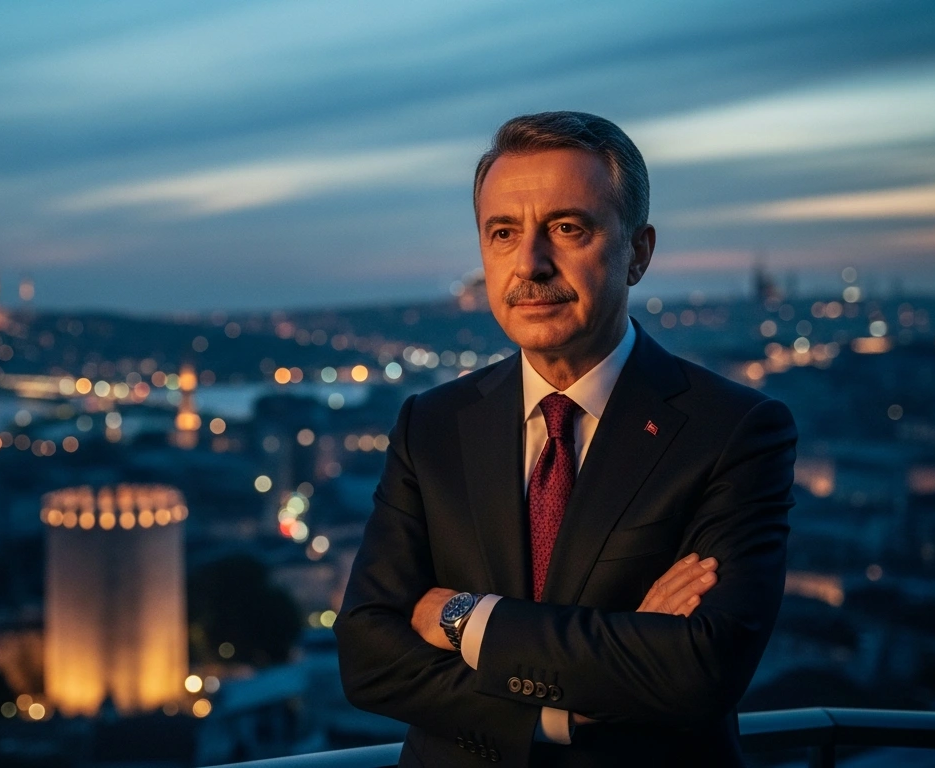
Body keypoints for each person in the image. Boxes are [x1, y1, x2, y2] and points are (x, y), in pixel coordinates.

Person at [334, 111, 798, 767]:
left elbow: (699, 669)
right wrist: (563, 707)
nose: (530, 263)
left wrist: (465, 617)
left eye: (567, 228)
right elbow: (368, 655)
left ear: (637, 252)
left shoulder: (733, 431)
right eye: (502, 233)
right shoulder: (432, 424)